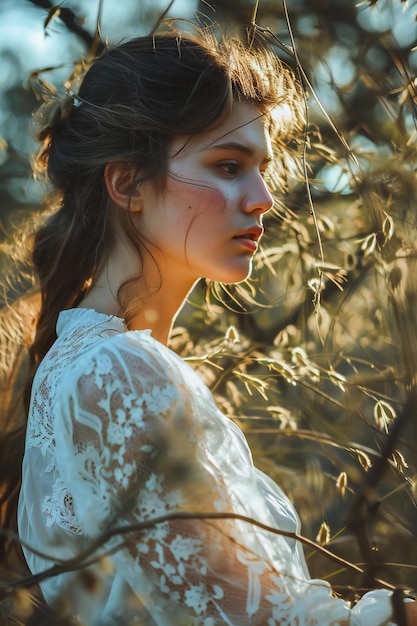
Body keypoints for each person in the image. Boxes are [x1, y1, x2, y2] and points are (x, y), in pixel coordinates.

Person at [11, 20, 417, 626]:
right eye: (228, 165)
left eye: (261, 168)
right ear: (127, 184)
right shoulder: (116, 371)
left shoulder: (93, 363)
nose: (262, 198)